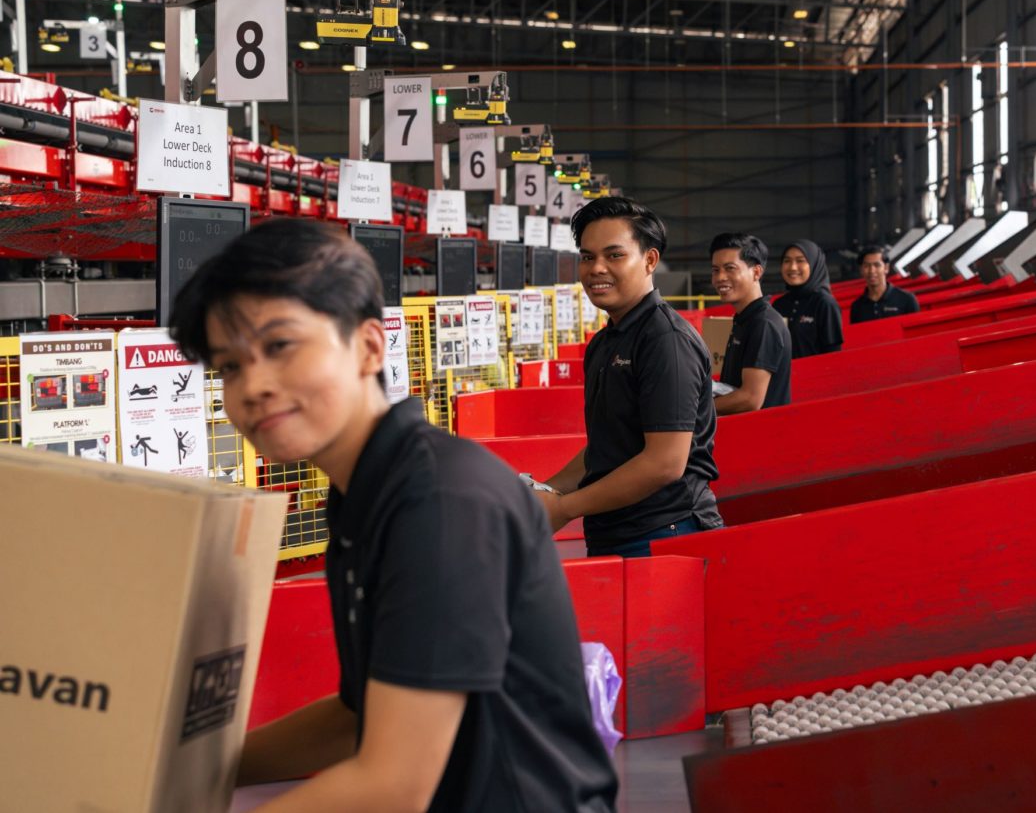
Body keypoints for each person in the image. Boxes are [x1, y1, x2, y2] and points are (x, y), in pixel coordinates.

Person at [168, 219, 617, 812]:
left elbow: (394, 782)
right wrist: (182, 771)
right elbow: (360, 717)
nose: (252, 386)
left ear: (370, 346)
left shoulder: (439, 502)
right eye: (228, 367)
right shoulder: (366, 494)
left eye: (279, 347)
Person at [536, 197, 723, 558]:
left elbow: (664, 463)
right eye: (588, 257)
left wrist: (564, 508)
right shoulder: (606, 342)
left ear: (650, 260)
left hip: (665, 534)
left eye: (614, 255)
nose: (597, 268)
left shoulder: (666, 341)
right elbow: (609, 447)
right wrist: (546, 492)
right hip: (615, 530)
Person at [710, 232, 791, 414]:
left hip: (763, 436)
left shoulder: (764, 324)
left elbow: (750, 399)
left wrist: (695, 410)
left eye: (730, 268)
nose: (720, 277)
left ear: (756, 272)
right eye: (715, 270)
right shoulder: (745, 319)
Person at [771, 239, 843, 358]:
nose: (793, 267)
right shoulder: (779, 305)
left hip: (814, 375)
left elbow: (834, 356)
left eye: (800, 261)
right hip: (783, 376)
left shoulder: (825, 303)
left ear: (814, 265)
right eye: (787, 261)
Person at [850, 245, 920, 323]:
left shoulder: (907, 300)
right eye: (866, 266)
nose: (872, 271)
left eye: (877, 265)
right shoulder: (857, 307)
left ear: (886, 268)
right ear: (861, 270)